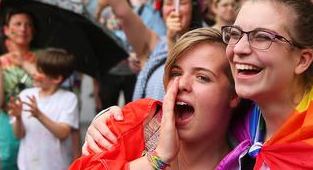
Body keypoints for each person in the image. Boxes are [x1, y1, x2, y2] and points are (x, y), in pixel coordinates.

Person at [85, 0, 313, 169]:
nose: (240, 49)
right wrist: (112, 121)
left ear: (302, 59)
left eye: (262, 37)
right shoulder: (246, 118)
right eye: (237, 34)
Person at [71, 28, 242, 169]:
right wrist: (157, 159)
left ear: (234, 94)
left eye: (202, 77)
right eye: (176, 73)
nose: (181, 83)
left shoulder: (249, 159)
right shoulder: (138, 120)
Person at [78, 0, 203, 101]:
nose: (173, 8)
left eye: (181, 2)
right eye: (168, 3)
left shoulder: (204, 43)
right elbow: (122, 11)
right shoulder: (154, 41)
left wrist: (174, 38)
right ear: (161, 9)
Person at [0, 10, 37, 170]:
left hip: (38, 121)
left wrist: (23, 63)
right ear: (6, 30)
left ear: (33, 32)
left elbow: (46, 81)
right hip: (8, 122)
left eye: (28, 25)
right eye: (17, 24)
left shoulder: (42, 59)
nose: (23, 29)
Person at [7, 48, 78, 170]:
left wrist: (39, 115)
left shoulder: (68, 99)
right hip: (27, 166)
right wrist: (18, 117)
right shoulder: (25, 95)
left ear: (56, 79)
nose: (34, 73)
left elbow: (63, 133)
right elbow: (19, 135)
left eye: (40, 71)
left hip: (56, 166)